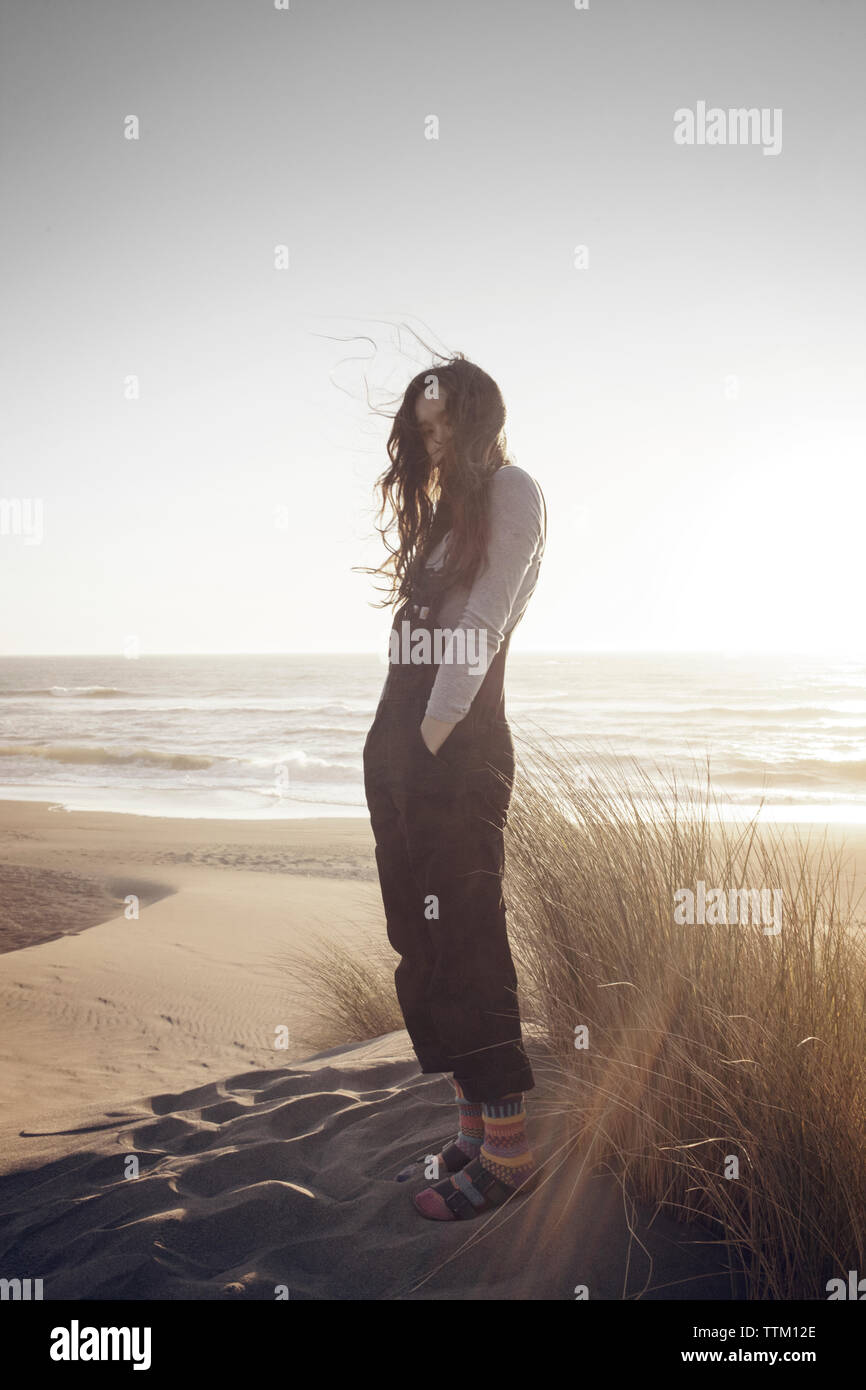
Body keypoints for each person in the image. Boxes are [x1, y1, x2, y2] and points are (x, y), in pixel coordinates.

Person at [361, 355, 546, 1221]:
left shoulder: (514, 492)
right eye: (421, 432)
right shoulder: (444, 516)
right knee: (419, 937)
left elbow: (483, 621)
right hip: (401, 752)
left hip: (455, 754)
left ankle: (509, 1151)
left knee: (466, 933)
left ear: (479, 422)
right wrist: (392, 749)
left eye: (444, 430)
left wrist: (432, 738)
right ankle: (471, 1130)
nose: (432, 446)